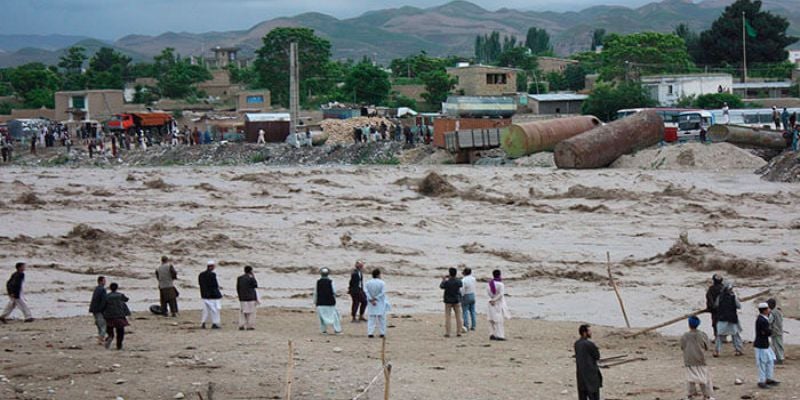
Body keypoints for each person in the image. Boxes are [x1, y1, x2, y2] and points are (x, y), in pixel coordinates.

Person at [680, 316, 715, 400]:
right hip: (700, 359)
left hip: (688, 359)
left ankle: (690, 395)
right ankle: (707, 395)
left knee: (690, 378)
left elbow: (682, 346)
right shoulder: (702, 335)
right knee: (704, 378)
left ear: (689, 324)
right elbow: (707, 347)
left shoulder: (685, 336)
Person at [713, 281, 743, 357]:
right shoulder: (733, 297)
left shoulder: (719, 297)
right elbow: (739, 306)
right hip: (732, 319)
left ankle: (717, 351)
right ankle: (738, 350)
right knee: (735, 335)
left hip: (722, 319)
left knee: (719, 336)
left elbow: (716, 305)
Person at [754, 302, 779, 389]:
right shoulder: (762, 320)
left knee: (770, 361)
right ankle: (762, 381)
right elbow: (765, 332)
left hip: (765, 344)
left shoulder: (764, 318)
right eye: (768, 309)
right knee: (762, 363)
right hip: (761, 345)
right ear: (764, 310)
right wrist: (771, 331)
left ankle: (769, 378)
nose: (769, 310)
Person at [575, 324, 602, 400]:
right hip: (591, 376)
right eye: (589, 331)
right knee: (594, 396)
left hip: (581, 375)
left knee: (582, 396)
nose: (591, 333)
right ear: (584, 333)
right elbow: (597, 356)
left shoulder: (577, 344)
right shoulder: (589, 344)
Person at [314, 268, 342, 335]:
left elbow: (316, 293)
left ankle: (324, 331)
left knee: (322, 317)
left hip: (321, 302)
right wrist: (334, 299)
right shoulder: (330, 282)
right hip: (330, 302)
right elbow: (333, 292)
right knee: (335, 316)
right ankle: (337, 330)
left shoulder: (318, 282)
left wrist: (315, 301)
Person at [103, 283, 130, 350]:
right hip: (119, 315)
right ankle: (119, 346)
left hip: (109, 316)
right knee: (120, 332)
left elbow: (103, 304)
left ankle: (110, 337)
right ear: (117, 288)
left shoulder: (107, 296)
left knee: (110, 330)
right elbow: (126, 299)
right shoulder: (120, 295)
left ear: (110, 288)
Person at [364, 268, 389, 338]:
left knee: (371, 318)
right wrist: (376, 298)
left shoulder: (368, 283)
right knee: (382, 319)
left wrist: (371, 299)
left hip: (371, 302)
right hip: (380, 302)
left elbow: (366, 292)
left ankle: (370, 332)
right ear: (378, 275)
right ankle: (382, 332)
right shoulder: (382, 283)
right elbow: (383, 292)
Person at [487, 269, 510, 341]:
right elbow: (501, 294)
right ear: (499, 275)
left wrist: (492, 299)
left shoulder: (489, 283)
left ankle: (492, 334)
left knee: (491, 319)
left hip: (490, 301)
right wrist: (495, 300)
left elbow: (489, 293)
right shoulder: (500, 284)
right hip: (498, 302)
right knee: (499, 320)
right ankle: (500, 335)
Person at [199, 260, 222, 329]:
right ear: (212, 267)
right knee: (215, 310)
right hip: (213, 296)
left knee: (205, 311)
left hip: (204, 295)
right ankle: (215, 323)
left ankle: (203, 323)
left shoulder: (201, 274)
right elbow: (214, 285)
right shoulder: (212, 275)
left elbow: (201, 285)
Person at [440, 267, 463, 338]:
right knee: (459, 316)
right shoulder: (458, 281)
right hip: (456, 300)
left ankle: (448, 332)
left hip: (448, 300)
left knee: (448, 317)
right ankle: (459, 332)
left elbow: (441, 286)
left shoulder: (447, 282)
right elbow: (461, 284)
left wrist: (443, 279)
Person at [236, 266, 259, 330]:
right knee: (251, 312)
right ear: (251, 271)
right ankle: (250, 325)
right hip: (251, 297)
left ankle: (241, 325)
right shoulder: (251, 278)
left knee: (243, 312)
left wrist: (240, 296)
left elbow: (238, 288)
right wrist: (253, 277)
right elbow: (255, 285)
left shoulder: (240, 278)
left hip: (242, 297)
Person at [89, 276, 108, 345]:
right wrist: (103, 309)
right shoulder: (102, 289)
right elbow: (104, 300)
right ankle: (100, 339)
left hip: (94, 309)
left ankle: (101, 338)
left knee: (99, 324)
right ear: (100, 281)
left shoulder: (96, 289)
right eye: (104, 280)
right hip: (99, 310)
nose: (105, 282)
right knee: (103, 325)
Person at [704, 274, 724, 340]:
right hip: (724, 309)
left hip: (715, 310)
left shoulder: (711, 289)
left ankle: (717, 337)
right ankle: (723, 337)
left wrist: (710, 307)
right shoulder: (725, 288)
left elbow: (709, 298)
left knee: (715, 323)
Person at [767, 298, 784, 364]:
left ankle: (779, 359)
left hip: (775, 331)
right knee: (780, 344)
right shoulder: (779, 311)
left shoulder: (772, 313)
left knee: (776, 345)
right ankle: (781, 357)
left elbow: (770, 321)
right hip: (780, 330)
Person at [461, 267, 477, 332]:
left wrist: (461, 296)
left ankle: (466, 325)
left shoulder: (463, 280)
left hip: (466, 295)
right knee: (472, 311)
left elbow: (462, 290)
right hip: (472, 294)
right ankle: (473, 325)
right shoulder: (473, 279)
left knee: (465, 311)